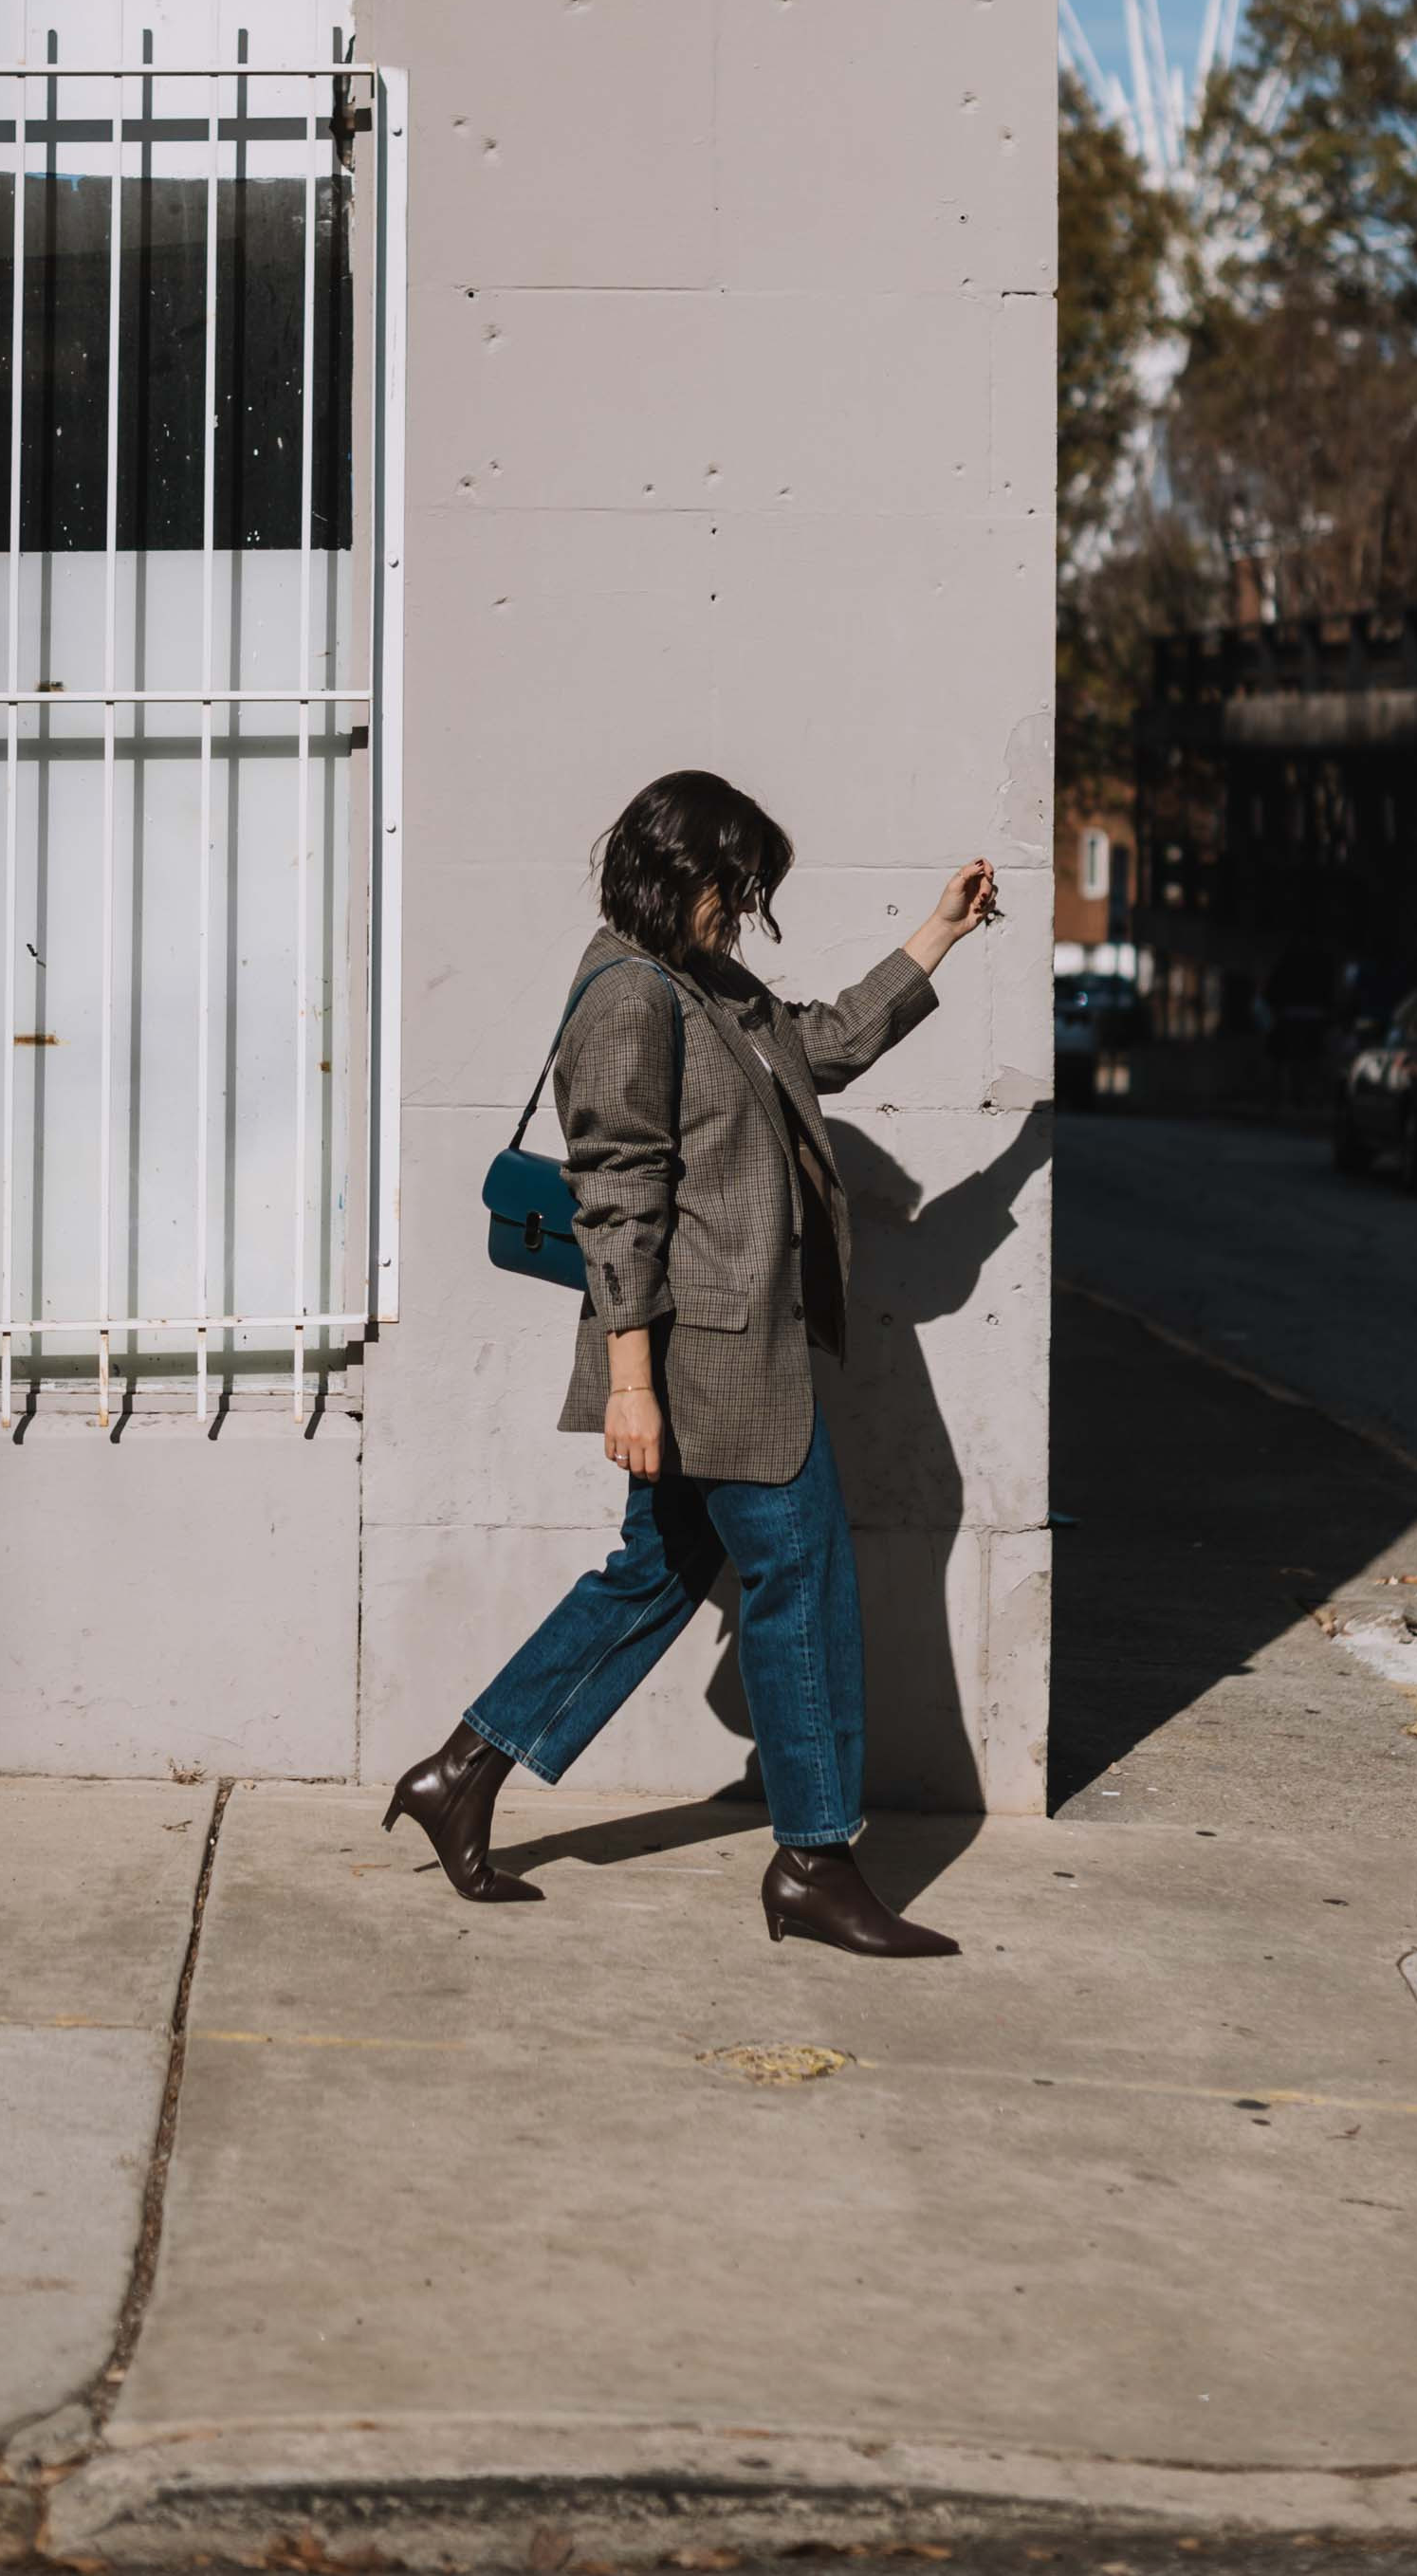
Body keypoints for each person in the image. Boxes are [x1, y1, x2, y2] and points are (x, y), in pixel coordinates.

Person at [385, 769, 996, 1960]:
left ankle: (463, 1770)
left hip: (729, 1347)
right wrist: (630, 1382)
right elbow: (617, 1198)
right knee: (805, 1577)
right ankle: (815, 1858)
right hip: (704, 1355)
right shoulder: (628, 997)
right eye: (735, 886)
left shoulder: (703, 984)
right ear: (679, 872)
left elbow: (819, 1045)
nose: (745, 910)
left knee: (657, 1571)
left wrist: (938, 933)